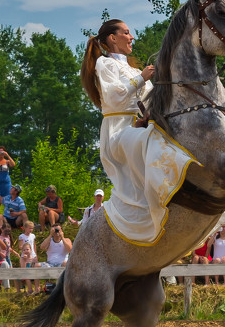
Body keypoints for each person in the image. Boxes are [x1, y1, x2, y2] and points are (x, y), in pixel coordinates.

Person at [80, 19, 198, 245]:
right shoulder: (105, 65)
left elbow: (151, 100)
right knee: (153, 144)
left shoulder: (133, 69)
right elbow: (114, 97)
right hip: (118, 131)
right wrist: (141, 78)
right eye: (126, 32)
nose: (131, 37)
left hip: (138, 128)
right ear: (112, 38)